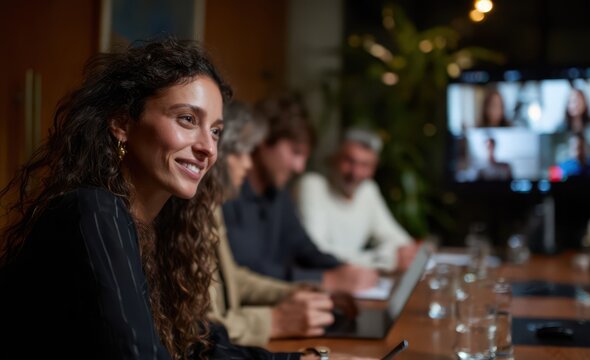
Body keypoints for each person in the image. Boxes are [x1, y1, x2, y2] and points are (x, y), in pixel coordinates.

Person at [0, 38, 357, 360]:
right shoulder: (94, 210)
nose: (208, 148)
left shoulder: (165, 224)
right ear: (122, 123)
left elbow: (196, 342)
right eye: (187, 119)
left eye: (216, 131)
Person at [206, 101, 337, 346]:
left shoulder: (274, 194)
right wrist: (274, 320)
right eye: (295, 152)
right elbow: (202, 329)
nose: (247, 163)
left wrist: (295, 291)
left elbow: (232, 277)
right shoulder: (222, 198)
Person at [223, 94, 379, 292]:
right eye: (296, 152)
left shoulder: (278, 195)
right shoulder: (227, 194)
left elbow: (303, 248)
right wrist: (324, 280)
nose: (300, 167)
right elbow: (244, 271)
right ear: (263, 140)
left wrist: (345, 270)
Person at [294, 128, 418, 272]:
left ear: (374, 169)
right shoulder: (312, 186)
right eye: (349, 161)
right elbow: (317, 253)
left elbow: (401, 241)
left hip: (352, 282)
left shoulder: (368, 190)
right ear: (334, 158)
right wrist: (383, 258)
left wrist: (396, 253)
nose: (355, 172)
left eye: (365, 165)